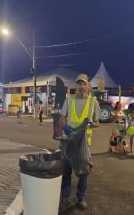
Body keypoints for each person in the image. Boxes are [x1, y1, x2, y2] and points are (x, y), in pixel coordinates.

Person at [58, 74, 100, 211]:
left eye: (83, 84)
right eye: (78, 84)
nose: (81, 86)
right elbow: (61, 118)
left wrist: (91, 124)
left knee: (83, 172)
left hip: (84, 143)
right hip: (68, 141)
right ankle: (65, 198)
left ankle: (81, 198)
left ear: (88, 86)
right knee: (66, 170)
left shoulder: (94, 102)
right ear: (76, 86)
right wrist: (66, 128)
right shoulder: (69, 99)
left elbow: (98, 122)